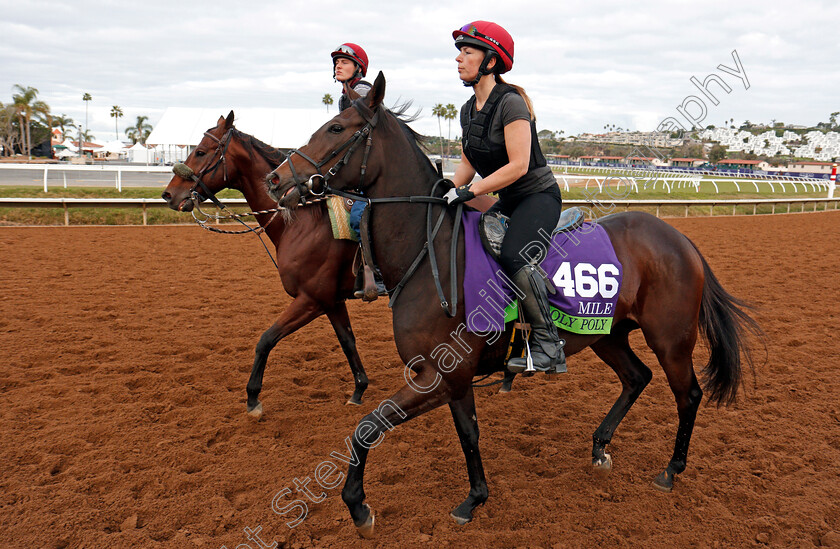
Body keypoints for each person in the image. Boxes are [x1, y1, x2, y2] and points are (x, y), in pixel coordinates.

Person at [444, 21, 566, 374]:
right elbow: (470, 160)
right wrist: (447, 189)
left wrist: (470, 191)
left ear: (490, 62)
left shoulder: (511, 103)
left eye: (467, 52)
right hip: (510, 200)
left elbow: (518, 165)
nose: (459, 59)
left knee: (514, 254)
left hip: (538, 195)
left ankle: (549, 345)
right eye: (460, 52)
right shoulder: (468, 110)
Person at [331, 43, 386, 300]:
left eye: (344, 62)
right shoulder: (346, 95)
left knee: (357, 218)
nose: (338, 65)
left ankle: (379, 275)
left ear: (358, 68)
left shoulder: (361, 91)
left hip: (373, 169)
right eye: (337, 62)